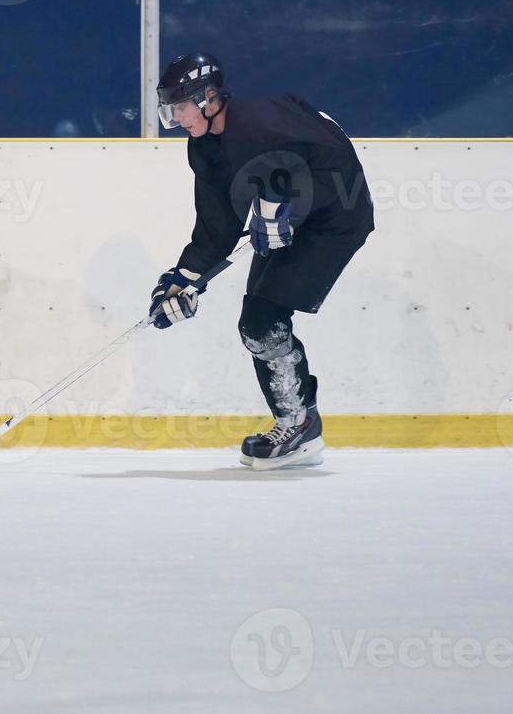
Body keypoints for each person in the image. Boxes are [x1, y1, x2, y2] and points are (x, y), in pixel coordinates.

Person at [148, 53, 374, 470]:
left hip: (335, 220)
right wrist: (182, 280)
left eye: (180, 106)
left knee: (262, 320)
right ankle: (297, 422)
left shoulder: (260, 119)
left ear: (210, 97)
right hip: (283, 223)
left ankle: (299, 424)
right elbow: (217, 227)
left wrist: (291, 205)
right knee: (256, 322)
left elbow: (337, 163)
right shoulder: (204, 149)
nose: (176, 117)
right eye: (171, 108)